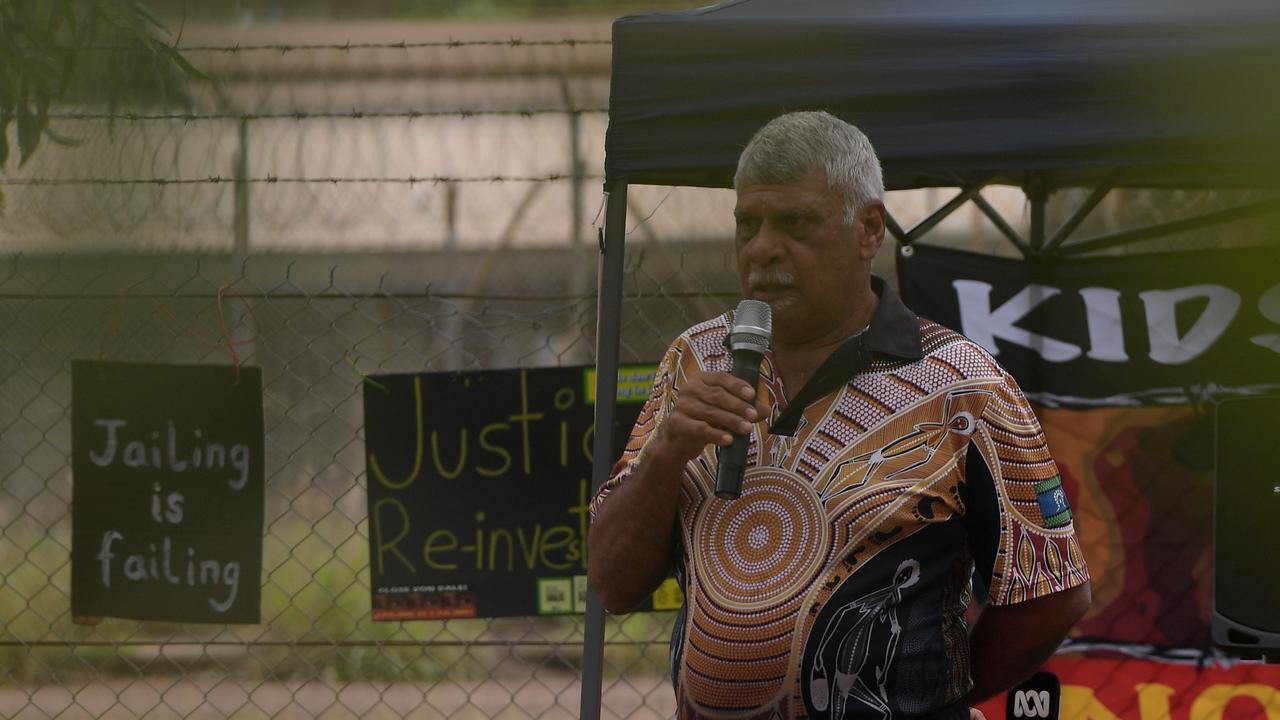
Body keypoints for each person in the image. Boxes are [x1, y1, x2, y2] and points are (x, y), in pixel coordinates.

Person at [587, 111, 1091, 719]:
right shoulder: (693, 361)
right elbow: (612, 584)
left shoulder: (966, 388)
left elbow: (1052, 593)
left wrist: (937, 697)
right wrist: (666, 451)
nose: (763, 249)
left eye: (796, 223)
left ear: (868, 228)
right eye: (748, 224)